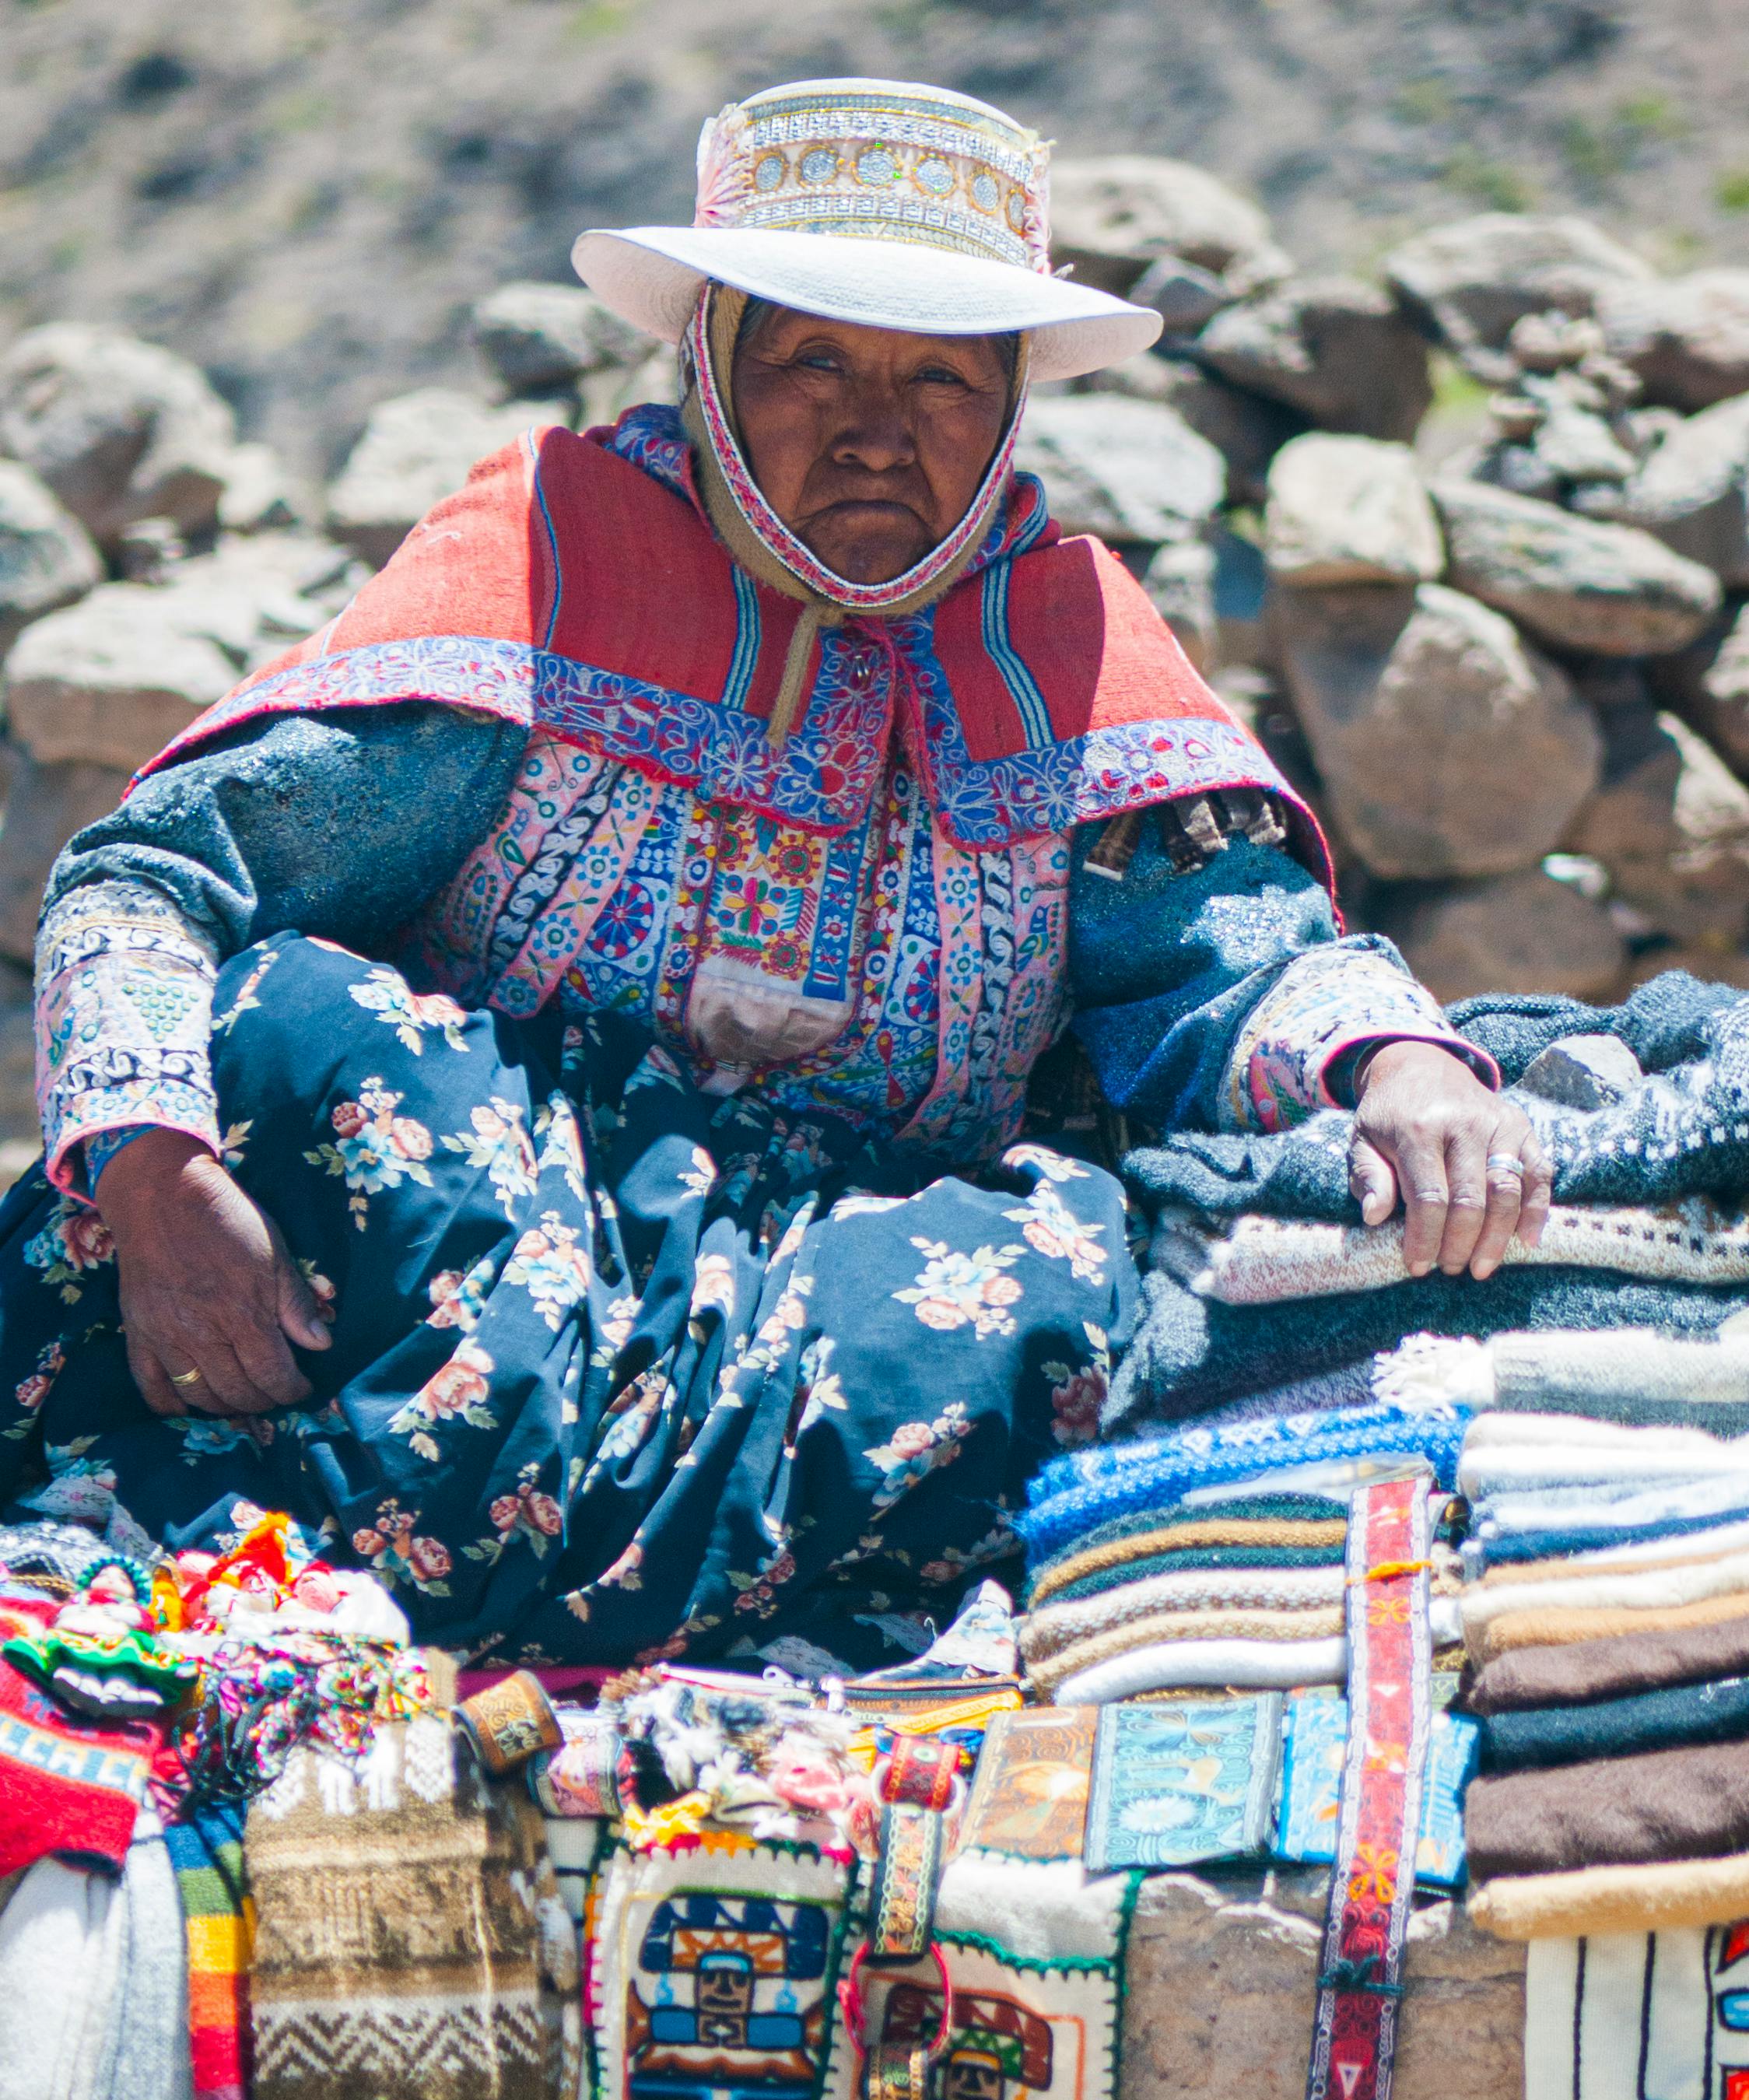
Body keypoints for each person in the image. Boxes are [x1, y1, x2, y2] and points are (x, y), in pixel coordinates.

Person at [0, 78, 1548, 1666]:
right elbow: (155, 871)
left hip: (817, 1301)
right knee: (309, 1031)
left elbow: (1232, 963)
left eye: (941, 377)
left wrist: (1400, 1062)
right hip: (465, 1249)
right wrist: (153, 1176)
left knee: (1075, 1279)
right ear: (713, 372)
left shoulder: (1065, 652)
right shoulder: (547, 564)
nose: (878, 430)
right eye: (814, 359)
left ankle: (501, 1580)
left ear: (1009, 408)